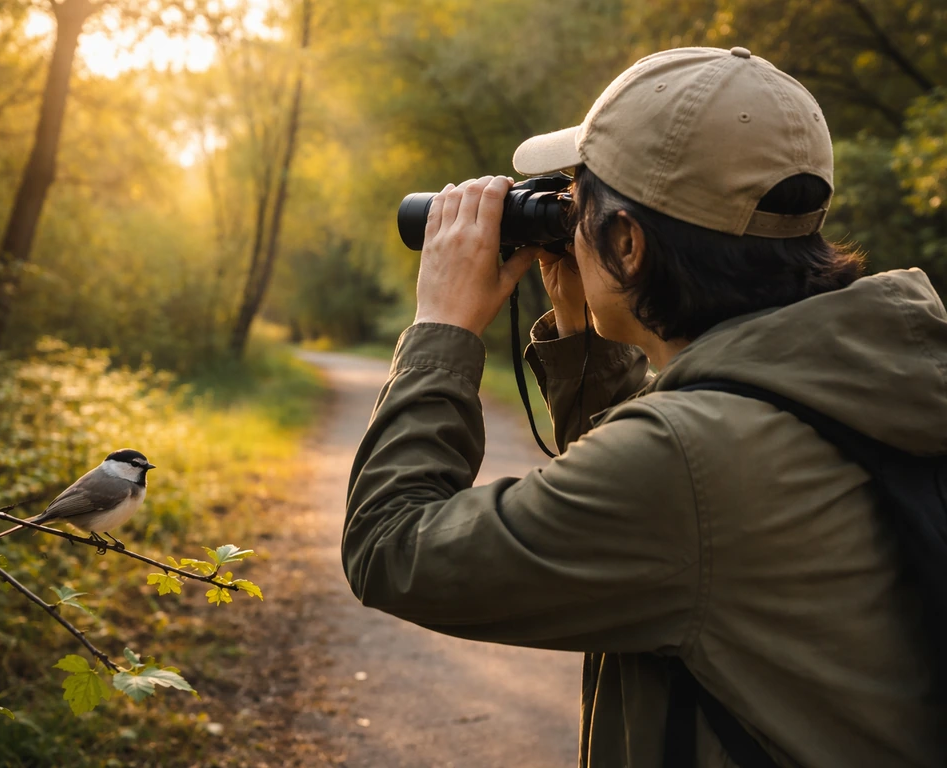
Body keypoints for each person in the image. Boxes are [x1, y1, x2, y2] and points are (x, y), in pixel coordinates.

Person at [341, 46, 947, 767]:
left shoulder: (691, 463)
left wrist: (442, 327)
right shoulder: (868, 375)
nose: (566, 219)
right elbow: (670, 502)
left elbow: (390, 545)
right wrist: (584, 339)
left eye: (578, 199)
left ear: (626, 244)